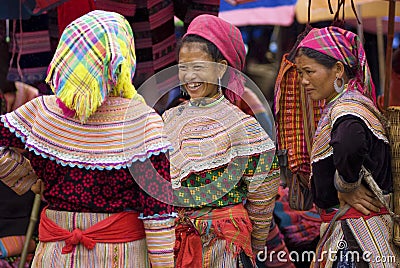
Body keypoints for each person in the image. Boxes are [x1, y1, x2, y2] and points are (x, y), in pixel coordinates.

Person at [0, 10, 177, 267]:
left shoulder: (41, 112)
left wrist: (28, 178)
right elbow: (157, 210)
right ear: (123, 59)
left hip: (56, 256)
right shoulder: (143, 122)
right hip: (122, 258)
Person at [162, 14, 280, 267]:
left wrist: (254, 242)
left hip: (227, 245)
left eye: (199, 67)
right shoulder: (168, 120)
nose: (190, 76)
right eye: (183, 67)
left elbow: (264, 191)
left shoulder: (242, 125)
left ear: (220, 69)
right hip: (178, 241)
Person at [294, 26, 399, 267]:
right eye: (301, 73)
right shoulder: (352, 105)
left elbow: (349, 144)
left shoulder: (346, 110)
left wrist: (346, 184)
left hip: (356, 238)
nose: (303, 81)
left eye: (309, 71)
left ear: (338, 69)